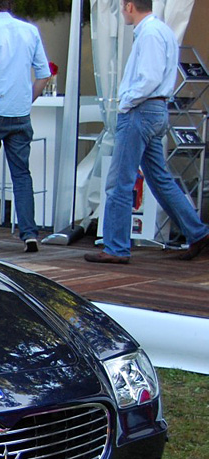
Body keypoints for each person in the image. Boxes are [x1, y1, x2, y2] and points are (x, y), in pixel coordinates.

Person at [84, 0, 209, 264]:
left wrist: (126, 102)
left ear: (130, 6)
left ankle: (116, 247)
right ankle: (197, 233)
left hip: (140, 111)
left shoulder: (149, 33)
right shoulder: (161, 30)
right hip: (156, 110)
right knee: (159, 178)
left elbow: (148, 77)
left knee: (119, 181)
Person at [0, 0, 51, 252]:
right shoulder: (30, 31)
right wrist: (27, 100)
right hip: (20, 113)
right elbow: (44, 74)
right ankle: (29, 233)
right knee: (22, 175)